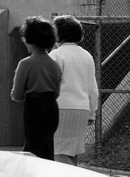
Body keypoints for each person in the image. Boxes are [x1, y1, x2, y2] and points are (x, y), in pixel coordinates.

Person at [49, 15, 98, 166]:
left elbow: (50, 84)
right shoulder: (87, 56)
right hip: (82, 109)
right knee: (71, 151)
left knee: (58, 151)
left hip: (60, 108)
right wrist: (92, 113)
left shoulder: (56, 55)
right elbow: (93, 89)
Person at [10, 16, 61, 160]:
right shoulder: (54, 64)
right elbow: (56, 91)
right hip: (52, 107)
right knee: (46, 144)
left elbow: (17, 94)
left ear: (29, 39)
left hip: (34, 107)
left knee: (34, 147)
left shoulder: (26, 63)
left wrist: (21, 95)